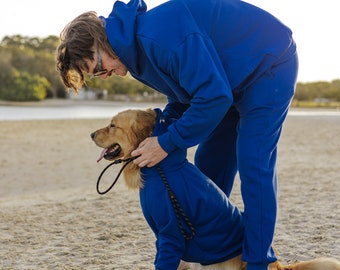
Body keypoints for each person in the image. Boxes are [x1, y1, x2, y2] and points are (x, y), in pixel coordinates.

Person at [56, 0, 298, 269]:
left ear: (100, 42)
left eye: (99, 68)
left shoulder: (159, 38)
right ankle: (205, 253)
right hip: (224, 82)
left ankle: (257, 262)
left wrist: (167, 142)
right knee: (206, 170)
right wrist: (159, 134)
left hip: (268, 64)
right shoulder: (133, 56)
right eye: (96, 75)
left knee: (254, 164)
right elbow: (182, 97)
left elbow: (214, 97)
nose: (103, 77)